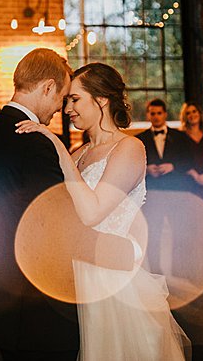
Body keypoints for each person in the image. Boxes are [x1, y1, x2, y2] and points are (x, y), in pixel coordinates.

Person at [16, 62, 191, 360]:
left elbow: (92, 213)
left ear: (102, 99)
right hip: (76, 274)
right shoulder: (78, 153)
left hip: (114, 280)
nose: (66, 108)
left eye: (74, 99)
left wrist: (57, 148)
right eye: (66, 100)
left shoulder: (129, 148)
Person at [0, 47, 81, 360]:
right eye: (61, 98)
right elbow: (54, 219)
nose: (60, 109)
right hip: (37, 302)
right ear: (47, 87)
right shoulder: (34, 140)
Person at [135, 99, 194, 275]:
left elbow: (189, 161)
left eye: (159, 113)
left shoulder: (181, 137)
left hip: (176, 191)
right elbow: (133, 164)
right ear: (148, 115)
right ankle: (156, 271)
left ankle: (179, 268)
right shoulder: (140, 140)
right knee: (153, 232)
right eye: (152, 113)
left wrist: (173, 166)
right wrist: (146, 169)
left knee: (179, 230)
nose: (156, 117)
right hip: (153, 193)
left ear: (165, 114)